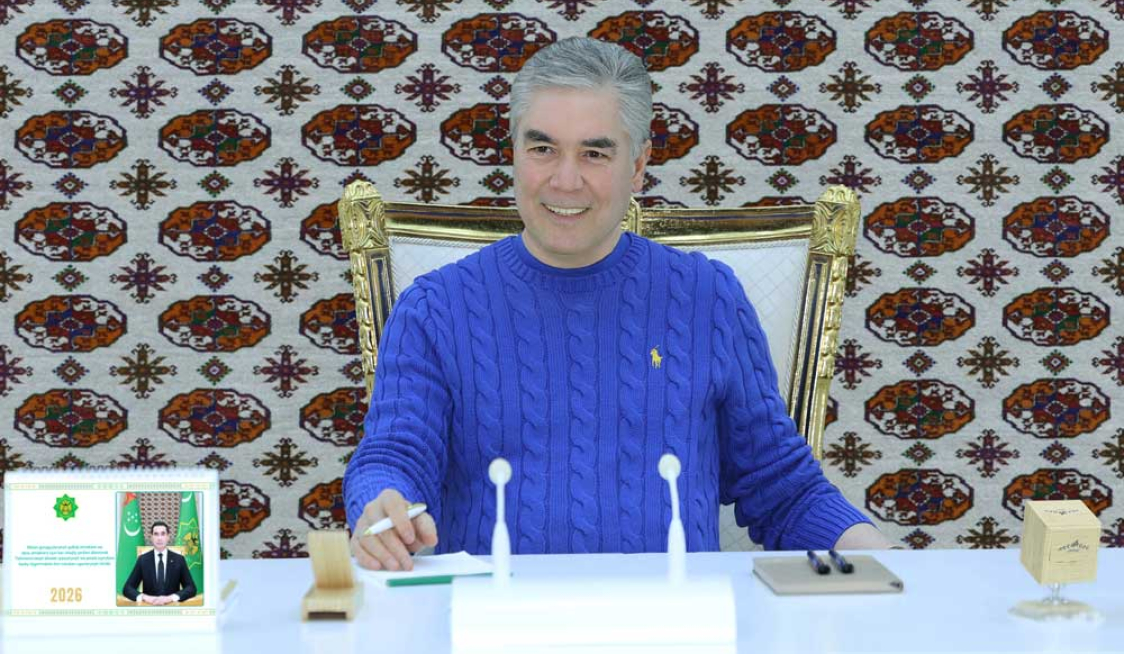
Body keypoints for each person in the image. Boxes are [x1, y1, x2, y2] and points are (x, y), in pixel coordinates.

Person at [344, 37, 892, 571]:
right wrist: (381, 504)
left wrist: (897, 566)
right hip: (495, 614)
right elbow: (394, 457)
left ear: (638, 165)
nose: (565, 180)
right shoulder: (433, 310)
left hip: (676, 617)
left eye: (595, 153)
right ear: (513, 153)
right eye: (542, 149)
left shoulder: (709, 298)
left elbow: (784, 489)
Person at [122, 521, 196, 604]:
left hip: (172, 608)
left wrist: (171, 598)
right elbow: (127, 588)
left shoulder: (179, 559)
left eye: (163, 534)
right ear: (151, 537)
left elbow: (191, 588)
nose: (159, 538)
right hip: (149, 607)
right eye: (156, 534)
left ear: (168, 537)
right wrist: (145, 597)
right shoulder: (143, 559)